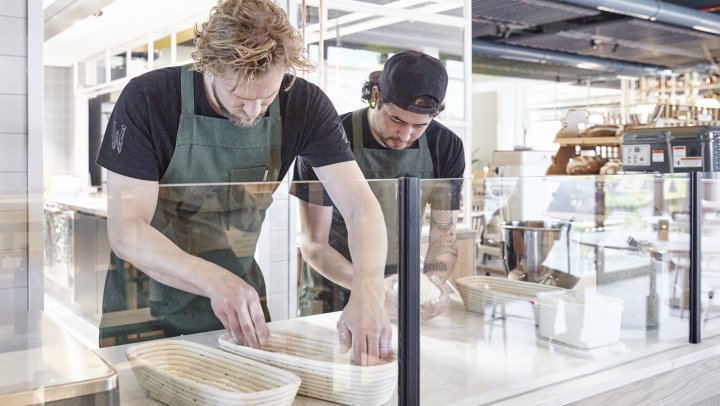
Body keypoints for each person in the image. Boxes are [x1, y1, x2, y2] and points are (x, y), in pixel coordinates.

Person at [96, 0, 391, 365]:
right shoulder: (149, 99)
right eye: (239, 97)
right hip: (144, 305)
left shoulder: (304, 105)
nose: (254, 111)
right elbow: (127, 229)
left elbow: (360, 207)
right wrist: (214, 281)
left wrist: (367, 287)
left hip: (240, 301)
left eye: (266, 98)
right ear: (208, 66)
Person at [294, 50, 465, 320]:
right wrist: (371, 287)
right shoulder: (328, 139)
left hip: (401, 287)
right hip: (335, 286)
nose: (405, 135)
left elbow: (444, 237)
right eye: (396, 119)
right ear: (375, 96)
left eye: (419, 125)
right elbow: (314, 243)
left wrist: (430, 285)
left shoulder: (446, 147)